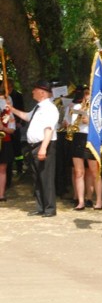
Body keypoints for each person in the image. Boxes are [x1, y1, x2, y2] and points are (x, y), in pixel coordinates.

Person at [7, 79, 59, 217]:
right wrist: (12, 109)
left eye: (35, 90)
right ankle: (41, 206)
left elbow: (49, 129)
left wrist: (43, 148)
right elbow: (26, 116)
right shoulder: (38, 107)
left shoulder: (50, 108)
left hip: (43, 145)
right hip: (34, 146)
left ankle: (49, 208)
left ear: (42, 92)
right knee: (37, 177)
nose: (32, 92)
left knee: (46, 177)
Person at [0, 90, 16, 201]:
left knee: (2, 168)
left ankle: (1, 194)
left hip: (4, 141)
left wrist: (3, 128)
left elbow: (12, 129)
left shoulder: (9, 114)